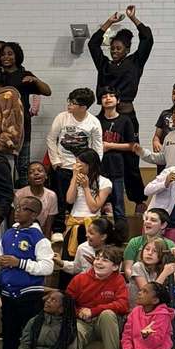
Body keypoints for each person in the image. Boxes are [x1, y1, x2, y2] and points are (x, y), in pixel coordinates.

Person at [89, 5, 153, 206]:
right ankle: (103, 199)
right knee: (101, 155)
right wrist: (109, 23)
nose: (115, 51)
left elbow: (147, 38)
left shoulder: (135, 62)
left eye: (119, 48)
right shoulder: (104, 65)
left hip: (126, 115)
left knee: (131, 159)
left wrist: (134, 18)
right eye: (112, 48)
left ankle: (138, 200)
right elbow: (93, 44)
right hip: (105, 114)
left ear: (127, 49)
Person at [0, 39, 51, 185]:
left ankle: (24, 199)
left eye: (10, 54)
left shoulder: (24, 74)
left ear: (17, 56)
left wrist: (35, 80)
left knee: (22, 167)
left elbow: (47, 91)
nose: (6, 57)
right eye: (2, 54)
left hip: (20, 127)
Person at [0, 196, 54, 349]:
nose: (17, 211)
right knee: (9, 335)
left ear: (34, 214)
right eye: (17, 207)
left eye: (23, 208)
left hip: (29, 295)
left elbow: (48, 266)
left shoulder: (39, 238)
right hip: (7, 294)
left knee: (28, 335)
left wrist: (19, 263)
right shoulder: (9, 233)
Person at [66, 246, 129, 349]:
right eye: (97, 259)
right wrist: (79, 313)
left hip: (105, 324)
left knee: (107, 314)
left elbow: (123, 305)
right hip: (84, 322)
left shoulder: (118, 280)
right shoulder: (79, 279)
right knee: (75, 328)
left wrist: (94, 311)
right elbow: (66, 304)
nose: (99, 262)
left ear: (115, 267)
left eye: (105, 260)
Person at [46, 88, 103, 224]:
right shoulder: (62, 117)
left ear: (83, 107)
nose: (69, 105)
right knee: (61, 198)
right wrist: (55, 161)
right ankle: (58, 229)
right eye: (69, 101)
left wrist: (93, 167)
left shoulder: (93, 122)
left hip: (83, 168)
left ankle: (80, 224)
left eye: (73, 103)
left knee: (79, 198)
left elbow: (98, 147)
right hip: (63, 165)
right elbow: (51, 139)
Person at [63, 149, 112, 263]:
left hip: (91, 225)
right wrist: (74, 178)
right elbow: (69, 200)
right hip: (74, 222)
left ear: (90, 164)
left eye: (80, 164)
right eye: (76, 163)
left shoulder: (105, 182)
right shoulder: (76, 178)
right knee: (69, 261)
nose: (76, 166)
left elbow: (94, 207)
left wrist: (86, 187)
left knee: (87, 261)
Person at [98, 89, 134, 228]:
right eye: (104, 96)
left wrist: (110, 146)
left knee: (118, 205)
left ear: (118, 100)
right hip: (98, 169)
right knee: (97, 205)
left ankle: (121, 237)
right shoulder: (96, 120)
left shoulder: (125, 120)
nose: (108, 98)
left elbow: (132, 145)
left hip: (117, 168)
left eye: (112, 96)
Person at [122, 207, 175, 279]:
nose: (147, 222)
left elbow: (174, 272)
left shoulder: (170, 244)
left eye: (153, 220)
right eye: (146, 219)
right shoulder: (134, 242)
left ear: (163, 225)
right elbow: (128, 269)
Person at [129, 238, 175, 307]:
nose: (149, 253)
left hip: (156, 309)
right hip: (139, 310)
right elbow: (148, 293)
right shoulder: (138, 266)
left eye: (155, 251)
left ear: (162, 254)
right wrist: (164, 273)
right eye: (147, 249)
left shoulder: (163, 267)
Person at [14, 161, 57, 239]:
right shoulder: (20, 194)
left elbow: (49, 224)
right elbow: (14, 219)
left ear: (46, 175)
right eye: (31, 172)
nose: (36, 173)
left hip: (41, 232)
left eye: (40, 171)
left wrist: (45, 240)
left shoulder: (52, 195)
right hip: (22, 231)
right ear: (28, 178)